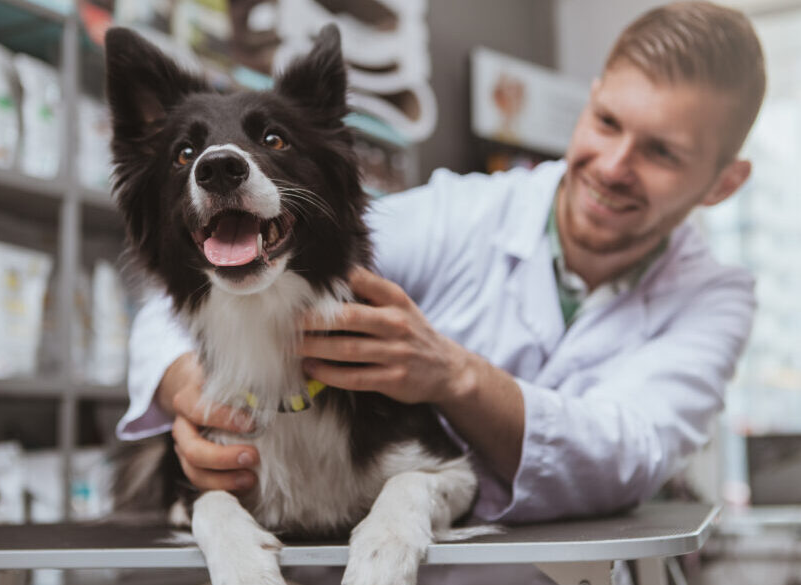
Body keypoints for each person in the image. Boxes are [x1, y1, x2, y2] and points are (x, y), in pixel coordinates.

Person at [119, 0, 764, 579]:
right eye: (606, 121)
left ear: (723, 185)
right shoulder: (460, 211)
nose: (615, 164)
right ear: (590, 98)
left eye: (662, 153)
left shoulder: (715, 298)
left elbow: (627, 452)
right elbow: (185, 290)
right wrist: (188, 389)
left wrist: (452, 375)